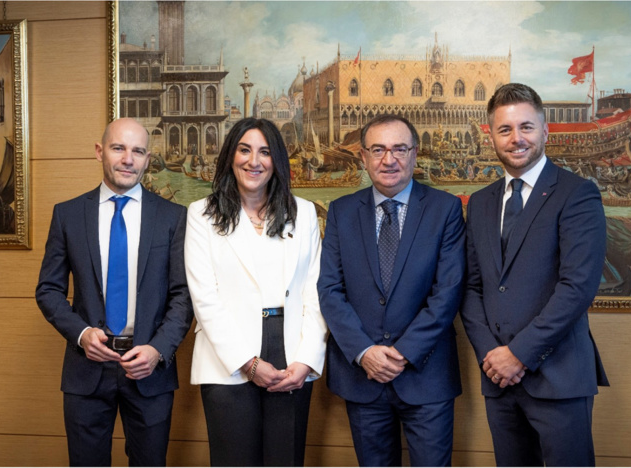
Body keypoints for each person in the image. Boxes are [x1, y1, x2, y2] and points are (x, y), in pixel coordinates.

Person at [460, 83, 609, 466]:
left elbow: (577, 288)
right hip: (498, 380)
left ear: (545, 131)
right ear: (491, 135)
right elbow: (472, 288)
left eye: (526, 127)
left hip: (558, 378)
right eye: (505, 129)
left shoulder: (577, 194)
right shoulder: (480, 202)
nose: (516, 138)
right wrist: (491, 357)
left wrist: (519, 355)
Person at [35, 118, 193, 466]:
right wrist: (81, 334)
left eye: (137, 151)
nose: (128, 159)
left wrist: (157, 350)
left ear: (147, 159)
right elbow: (48, 290)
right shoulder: (68, 215)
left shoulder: (173, 217)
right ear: (99, 151)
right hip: (87, 368)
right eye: (118, 148)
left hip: (150, 370)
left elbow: (183, 297)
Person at [318, 114, 465, 467]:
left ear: (415, 154)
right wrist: (364, 351)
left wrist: (403, 353)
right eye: (378, 150)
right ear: (364, 157)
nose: (389, 159)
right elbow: (330, 289)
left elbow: (448, 292)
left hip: (426, 375)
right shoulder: (341, 211)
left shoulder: (445, 210)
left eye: (399, 149)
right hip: (362, 376)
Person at [184, 118, 327, 467]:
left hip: (290, 354)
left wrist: (306, 361)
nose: (254, 161)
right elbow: (205, 300)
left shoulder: (304, 213)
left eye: (265, 152)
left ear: (277, 159)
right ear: (230, 157)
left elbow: (315, 292)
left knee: (285, 460)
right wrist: (248, 364)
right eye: (244, 150)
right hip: (228, 359)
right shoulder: (201, 215)